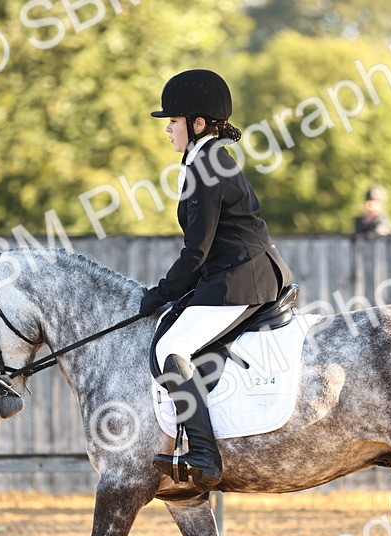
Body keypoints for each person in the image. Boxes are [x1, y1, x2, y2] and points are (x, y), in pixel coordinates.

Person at [140, 69, 293, 487]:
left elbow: (196, 250)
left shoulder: (206, 166)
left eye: (173, 121)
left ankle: (205, 455)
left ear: (199, 124)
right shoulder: (205, 161)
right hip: (230, 275)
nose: (168, 129)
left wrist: (162, 292)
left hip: (241, 279)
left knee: (173, 348)